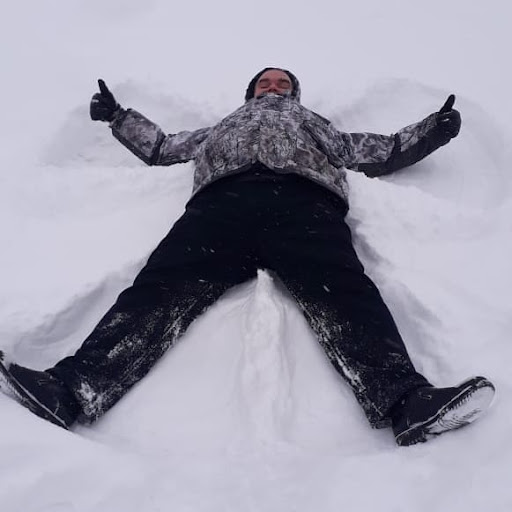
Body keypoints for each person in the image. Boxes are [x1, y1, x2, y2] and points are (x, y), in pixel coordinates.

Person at [0, 68, 495, 446]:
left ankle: (406, 401)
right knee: (158, 290)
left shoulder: (317, 125)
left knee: (347, 294)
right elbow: (164, 146)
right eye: (265, 82)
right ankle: (70, 391)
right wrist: (117, 117)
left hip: (304, 207)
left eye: (282, 83)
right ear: (250, 93)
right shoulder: (222, 127)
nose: (273, 87)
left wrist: (433, 129)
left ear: (294, 94)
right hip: (223, 207)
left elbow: (382, 150)